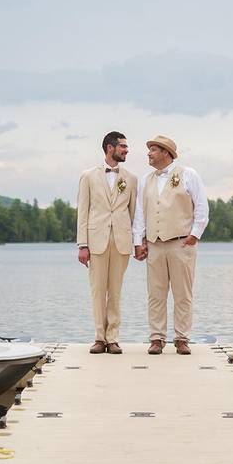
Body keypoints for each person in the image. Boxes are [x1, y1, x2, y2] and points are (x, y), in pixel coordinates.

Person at [132, 135, 209, 355]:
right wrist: (139, 241)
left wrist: (195, 234)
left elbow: (201, 207)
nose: (148, 153)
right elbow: (140, 212)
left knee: (182, 293)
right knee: (155, 294)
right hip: (154, 244)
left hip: (181, 243)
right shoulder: (146, 179)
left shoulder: (188, 175)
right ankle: (157, 338)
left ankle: (182, 338)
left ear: (166, 153)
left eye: (153, 150)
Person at [76, 131, 138, 354]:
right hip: (96, 240)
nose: (126, 150)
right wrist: (82, 245)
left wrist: (136, 241)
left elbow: (133, 214)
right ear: (110, 148)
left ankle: (113, 338)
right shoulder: (88, 176)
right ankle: (99, 338)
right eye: (122, 146)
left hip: (121, 241)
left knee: (116, 291)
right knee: (97, 291)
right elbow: (83, 212)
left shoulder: (131, 179)